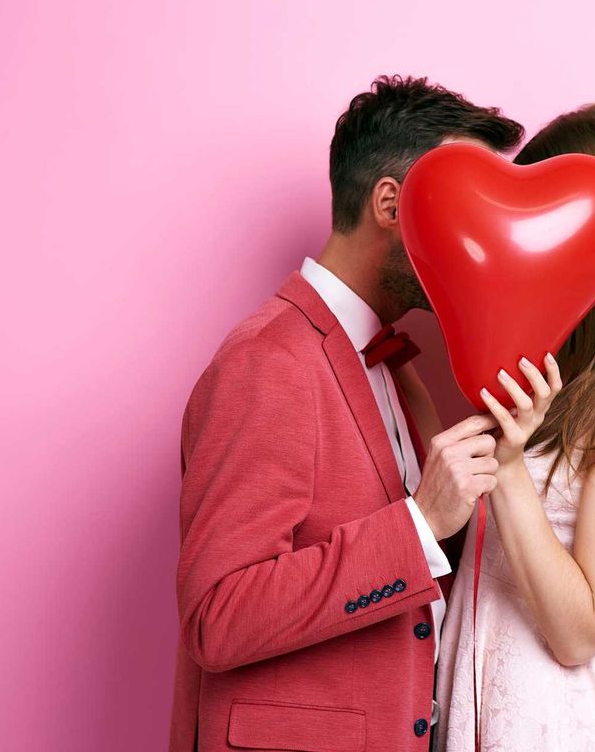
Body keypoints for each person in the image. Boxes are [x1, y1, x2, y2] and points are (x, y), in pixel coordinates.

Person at [169, 75, 524, 752]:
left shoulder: (395, 366)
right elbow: (218, 615)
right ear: (392, 204)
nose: (483, 239)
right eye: (466, 207)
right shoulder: (268, 361)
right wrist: (418, 522)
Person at [434, 104, 595, 752]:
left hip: (545, 720)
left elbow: (579, 632)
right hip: (469, 685)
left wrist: (513, 461)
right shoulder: (558, 374)